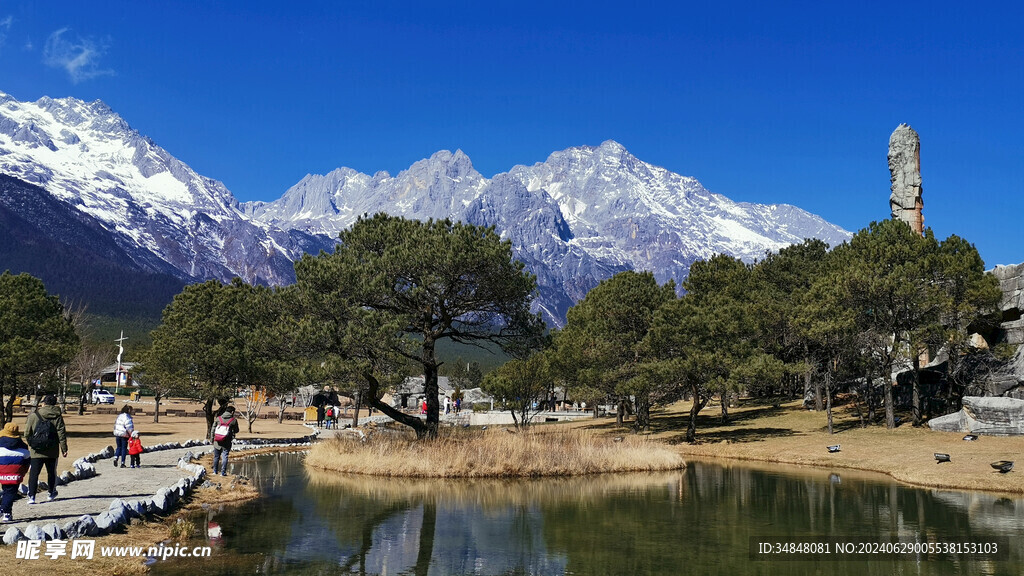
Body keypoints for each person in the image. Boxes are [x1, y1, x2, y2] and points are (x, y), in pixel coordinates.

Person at [24, 394, 67, 504]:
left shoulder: (34, 415)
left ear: (44, 403)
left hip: (36, 450)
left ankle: (32, 496)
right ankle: (51, 493)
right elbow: (61, 433)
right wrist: (64, 448)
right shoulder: (57, 416)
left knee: (34, 473)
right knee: (51, 472)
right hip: (52, 450)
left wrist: (32, 443)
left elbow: (27, 433)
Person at [0, 423, 30, 522]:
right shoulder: (23, 447)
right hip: (16, 473)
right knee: (10, 492)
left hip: (2, 472)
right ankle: (5, 511)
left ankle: (6, 511)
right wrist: (22, 472)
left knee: (6, 491)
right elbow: (27, 461)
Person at [210, 406, 240, 476]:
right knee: (225, 456)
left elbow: (213, 430)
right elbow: (237, 430)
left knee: (216, 456)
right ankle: (223, 472)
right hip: (227, 441)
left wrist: (212, 439)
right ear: (232, 412)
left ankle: (215, 471)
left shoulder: (218, 418)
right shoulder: (233, 420)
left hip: (217, 441)